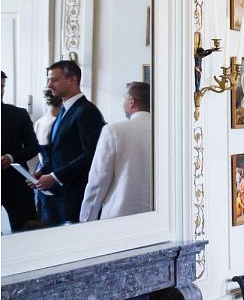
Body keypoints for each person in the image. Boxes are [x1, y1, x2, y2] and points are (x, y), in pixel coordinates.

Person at [33, 61, 105, 226]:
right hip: (54, 197)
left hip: (72, 196)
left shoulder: (87, 111)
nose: (49, 85)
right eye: (49, 80)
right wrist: (42, 172)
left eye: (54, 80)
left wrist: (55, 176)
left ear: (72, 80)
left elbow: (91, 154)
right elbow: (61, 152)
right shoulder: (64, 109)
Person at [80, 82, 153, 221]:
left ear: (131, 101)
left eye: (124, 99)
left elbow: (99, 179)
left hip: (119, 216)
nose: (123, 104)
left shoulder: (114, 130)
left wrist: (86, 219)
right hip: (157, 217)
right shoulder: (166, 132)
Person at [1, 72, 40, 230]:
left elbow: (33, 147)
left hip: (16, 185)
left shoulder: (19, 114)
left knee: (24, 231)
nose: (1, 90)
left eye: (2, 86)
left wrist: (11, 157)